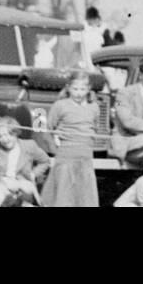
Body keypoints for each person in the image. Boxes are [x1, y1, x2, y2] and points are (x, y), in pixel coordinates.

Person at [41, 71, 99, 207]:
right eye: (75, 89)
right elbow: (48, 130)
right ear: (68, 88)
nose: (79, 93)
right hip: (66, 154)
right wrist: (55, 150)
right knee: (64, 192)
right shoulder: (60, 105)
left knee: (84, 194)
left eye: (83, 89)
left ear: (89, 89)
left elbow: (94, 128)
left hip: (85, 156)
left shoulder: (94, 107)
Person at [0, 117, 44, 206]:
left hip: (23, 186)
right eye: (0, 136)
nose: (5, 140)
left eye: (8, 135)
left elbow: (45, 161)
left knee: (26, 192)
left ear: (15, 133)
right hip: (3, 185)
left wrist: (34, 174)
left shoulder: (29, 145)